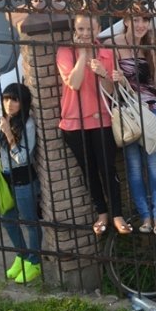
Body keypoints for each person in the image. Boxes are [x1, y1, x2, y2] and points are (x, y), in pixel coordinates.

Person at [57, 13, 129, 236]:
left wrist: (103, 73)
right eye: (81, 29)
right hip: (74, 124)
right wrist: (83, 54)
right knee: (89, 171)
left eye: (90, 29)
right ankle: (102, 213)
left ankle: (117, 214)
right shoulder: (65, 52)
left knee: (108, 168)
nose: (86, 33)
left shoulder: (107, 52)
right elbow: (74, 83)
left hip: (102, 120)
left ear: (98, 29)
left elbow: (110, 91)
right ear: (74, 30)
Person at [109, 4, 156, 235]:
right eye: (135, 20)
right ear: (126, 21)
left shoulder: (151, 43)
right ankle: (145, 216)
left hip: (150, 110)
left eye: (145, 20)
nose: (141, 25)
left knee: (155, 166)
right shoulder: (114, 44)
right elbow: (109, 82)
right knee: (134, 168)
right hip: (127, 114)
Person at [0, 83, 42, 284]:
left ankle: (34, 262)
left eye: (14, 100)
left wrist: (9, 135)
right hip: (4, 178)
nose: (9, 104)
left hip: (23, 179)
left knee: (30, 222)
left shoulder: (28, 124)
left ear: (23, 102)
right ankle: (22, 255)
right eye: (6, 99)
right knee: (8, 219)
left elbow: (23, 158)